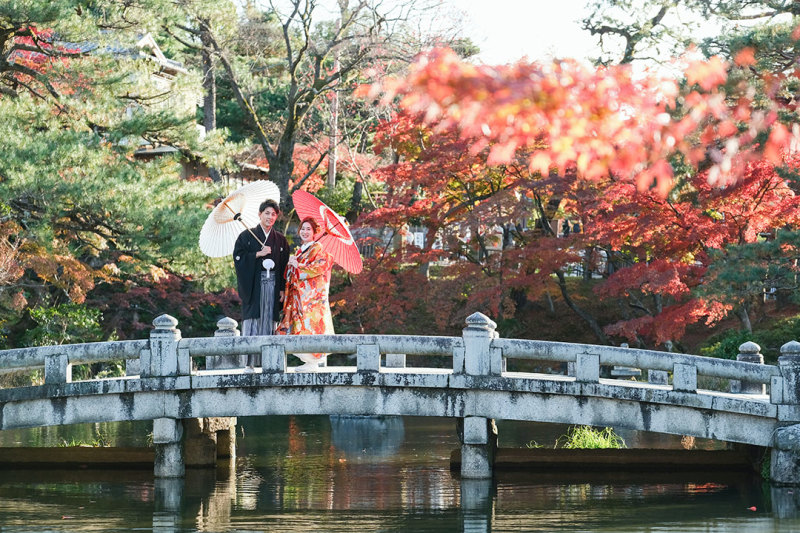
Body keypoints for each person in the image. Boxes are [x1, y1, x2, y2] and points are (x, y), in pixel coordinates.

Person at [233, 199, 290, 372]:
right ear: (259, 214)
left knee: (269, 322)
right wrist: (258, 253)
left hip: (273, 287)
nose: (270, 217)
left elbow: (284, 266)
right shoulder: (246, 236)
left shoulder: (280, 240)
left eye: (273, 214)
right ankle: (249, 363)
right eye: (267, 213)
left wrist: (282, 288)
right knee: (252, 322)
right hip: (253, 285)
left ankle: (269, 361)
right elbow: (238, 258)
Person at [277, 217, 335, 371]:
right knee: (297, 328)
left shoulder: (317, 249)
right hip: (298, 298)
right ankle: (309, 362)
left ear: (315, 232)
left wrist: (298, 266)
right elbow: (293, 274)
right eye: (303, 228)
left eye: (309, 229)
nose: (304, 232)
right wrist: (291, 265)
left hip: (311, 300)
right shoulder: (300, 250)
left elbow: (317, 269)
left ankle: (312, 362)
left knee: (310, 327)